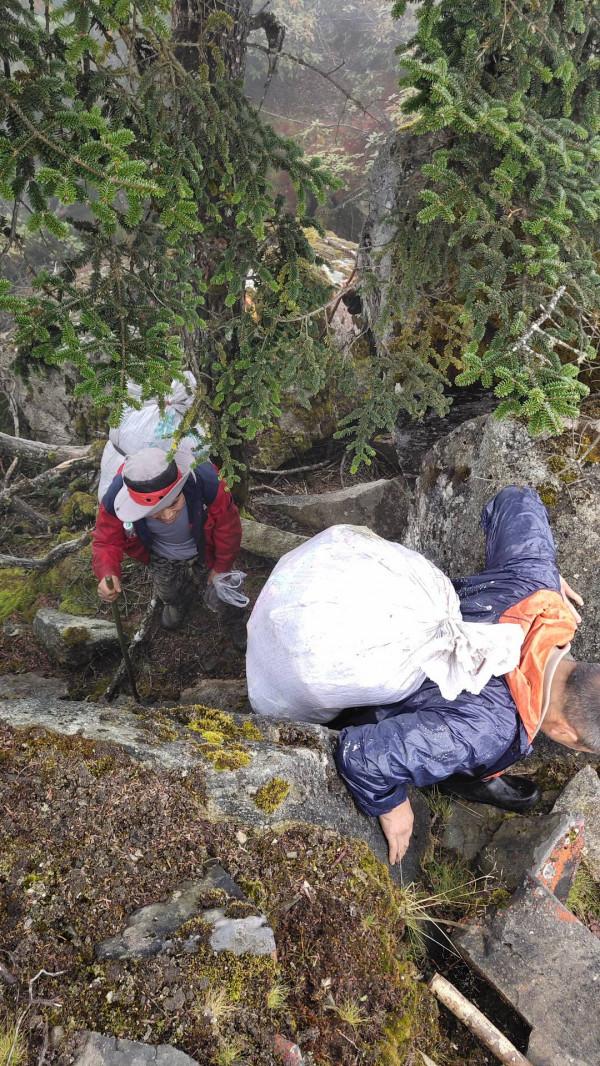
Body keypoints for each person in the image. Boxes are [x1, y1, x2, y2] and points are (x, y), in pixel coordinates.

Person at [334, 486, 595, 865]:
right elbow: (363, 756)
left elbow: (517, 499)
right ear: (568, 737)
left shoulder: (535, 588)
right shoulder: (488, 729)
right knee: (481, 748)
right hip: (361, 691)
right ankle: (468, 777)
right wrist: (392, 805)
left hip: (370, 617)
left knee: (478, 744)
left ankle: (479, 775)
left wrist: (548, 577)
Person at [92, 447, 245, 642]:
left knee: (226, 588)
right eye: (155, 511)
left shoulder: (206, 480)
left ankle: (235, 621)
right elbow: (106, 539)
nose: (168, 516)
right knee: (168, 590)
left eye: (173, 504)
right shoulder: (115, 497)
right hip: (160, 554)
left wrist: (222, 565)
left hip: (206, 547)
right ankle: (176, 603)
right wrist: (107, 572)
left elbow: (227, 527)